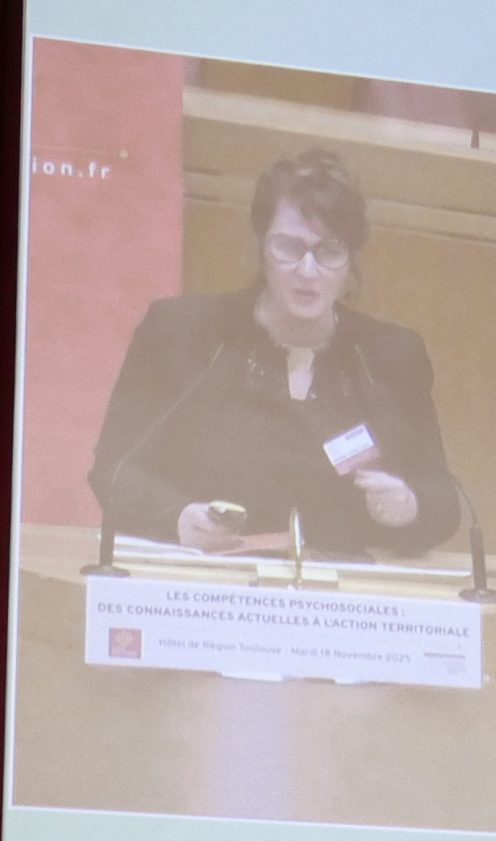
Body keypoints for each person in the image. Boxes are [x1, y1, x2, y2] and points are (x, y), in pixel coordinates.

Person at [87, 148, 461, 559]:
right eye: (289, 247)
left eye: (329, 251)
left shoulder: (389, 356)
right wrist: (175, 518)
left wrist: (410, 506)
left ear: (350, 261)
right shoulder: (182, 334)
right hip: (205, 590)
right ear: (260, 244)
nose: (307, 271)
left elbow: (443, 497)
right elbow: (114, 469)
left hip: (347, 601)